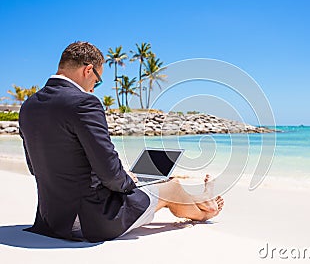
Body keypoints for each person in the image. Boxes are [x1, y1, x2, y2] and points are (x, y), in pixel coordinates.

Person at [19, 41, 224, 243]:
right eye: (97, 81)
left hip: (53, 220)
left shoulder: (29, 106)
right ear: (88, 70)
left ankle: (199, 200)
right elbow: (109, 173)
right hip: (91, 220)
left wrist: (123, 177)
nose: (93, 89)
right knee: (173, 187)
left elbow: (35, 167)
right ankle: (206, 209)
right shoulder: (84, 103)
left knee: (153, 181)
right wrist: (129, 183)